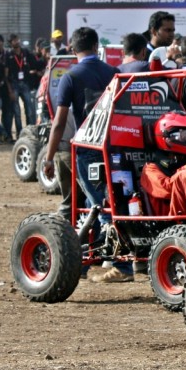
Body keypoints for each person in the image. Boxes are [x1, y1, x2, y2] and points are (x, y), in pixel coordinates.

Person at [41, 26, 127, 282]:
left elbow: (59, 123)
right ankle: (86, 262)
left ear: (72, 48)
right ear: (96, 45)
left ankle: (120, 266)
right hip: (115, 147)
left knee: (99, 206)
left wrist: (48, 156)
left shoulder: (71, 77)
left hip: (88, 149)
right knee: (100, 204)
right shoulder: (114, 73)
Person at [4, 34, 36, 135]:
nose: (16, 41)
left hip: (25, 83)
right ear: (10, 43)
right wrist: (10, 90)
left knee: (29, 110)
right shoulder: (8, 55)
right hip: (14, 84)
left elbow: (35, 63)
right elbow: (6, 74)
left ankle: (30, 132)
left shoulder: (25, 52)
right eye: (14, 40)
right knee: (17, 112)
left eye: (17, 39)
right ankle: (20, 133)